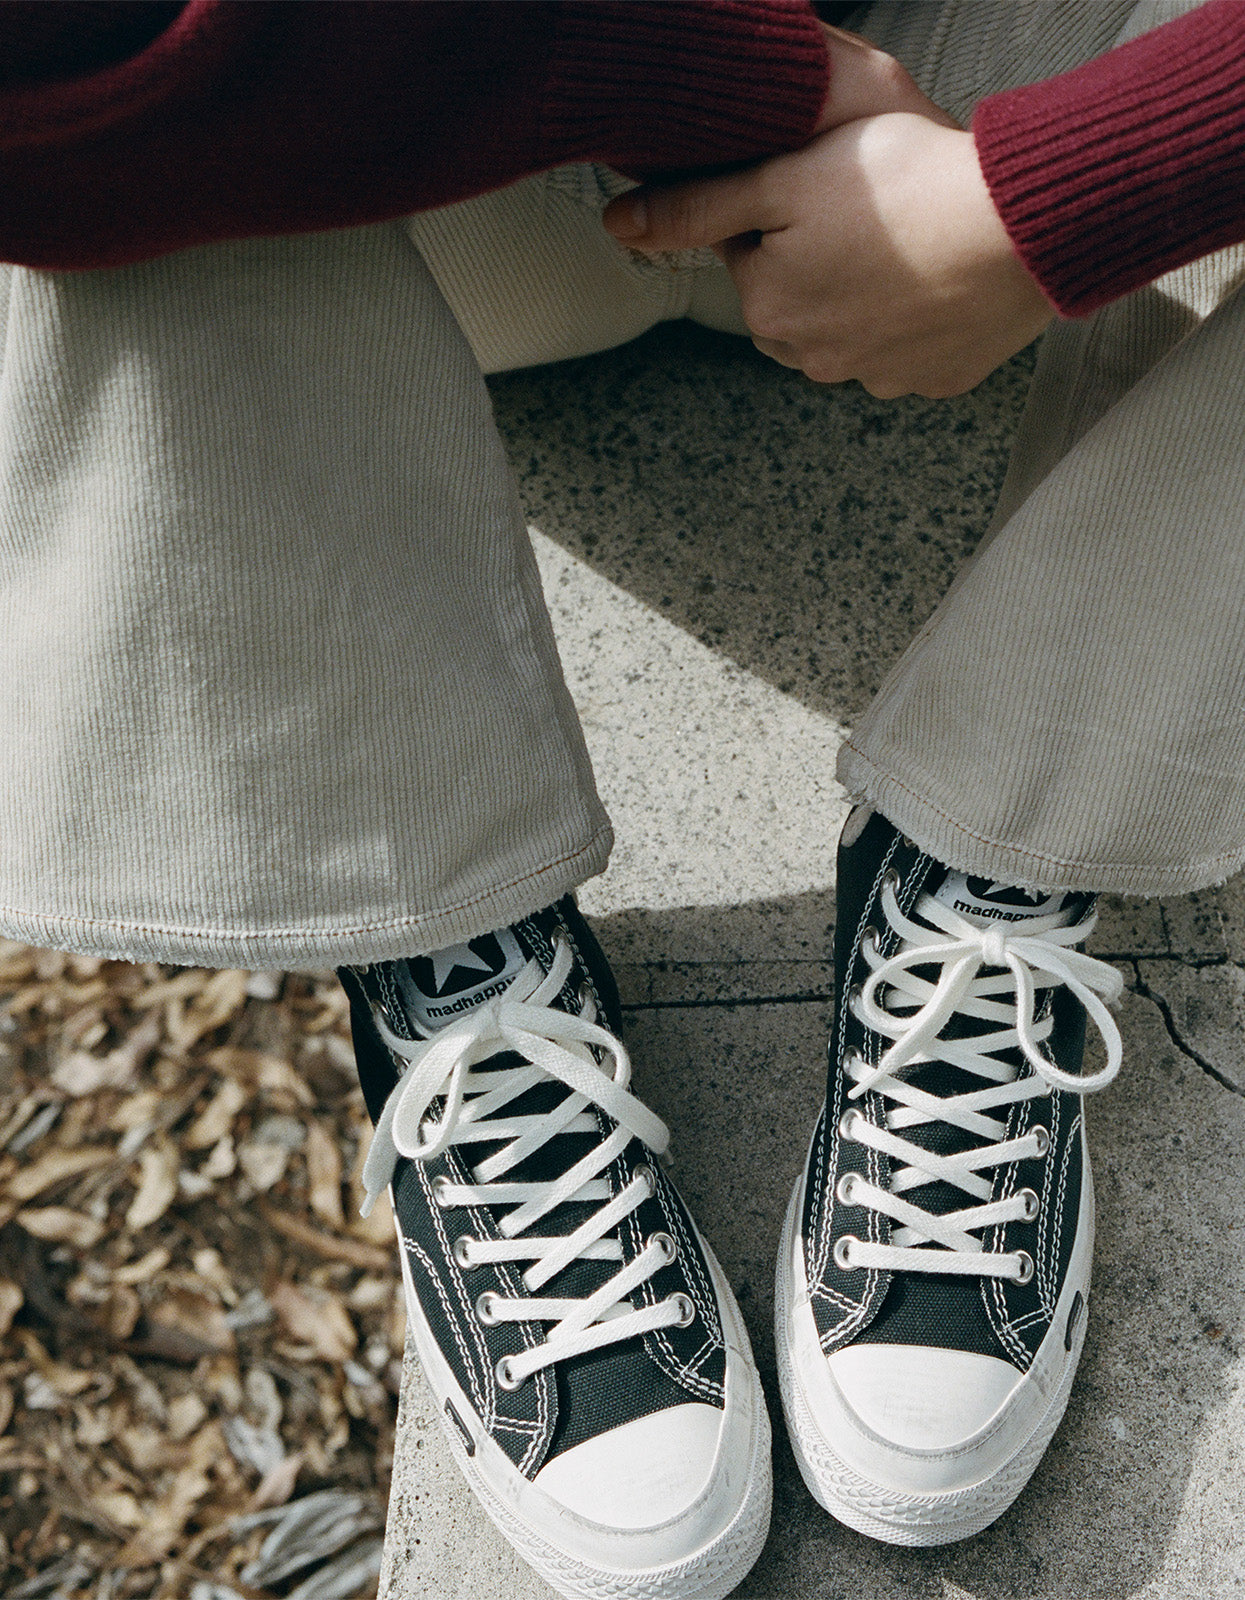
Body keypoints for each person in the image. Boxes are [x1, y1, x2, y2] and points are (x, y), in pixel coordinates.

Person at [1, 0, 1244, 1591]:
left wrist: (1064, 189)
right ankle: (457, 961)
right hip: (436, 174)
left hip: (987, 77)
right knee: (96, 105)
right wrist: (714, 66)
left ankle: (990, 854)